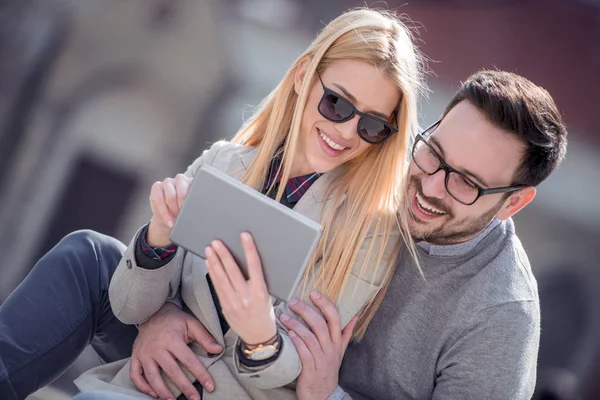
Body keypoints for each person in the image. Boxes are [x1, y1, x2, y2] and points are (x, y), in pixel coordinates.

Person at [0, 7, 424, 400]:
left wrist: (261, 336)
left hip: (231, 390)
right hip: (147, 377)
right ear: (302, 77)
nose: (347, 132)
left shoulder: (368, 234)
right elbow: (128, 305)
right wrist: (157, 242)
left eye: (371, 125)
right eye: (337, 104)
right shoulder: (224, 161)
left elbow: (305, 368)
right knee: (86, 252)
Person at [276, 69, 568, 399]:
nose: (429, 187)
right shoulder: (372, 151)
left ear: (513, 203)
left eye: (466, 183)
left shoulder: (501, 319)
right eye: (435, 153)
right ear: (439, 122)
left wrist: (326, 394)